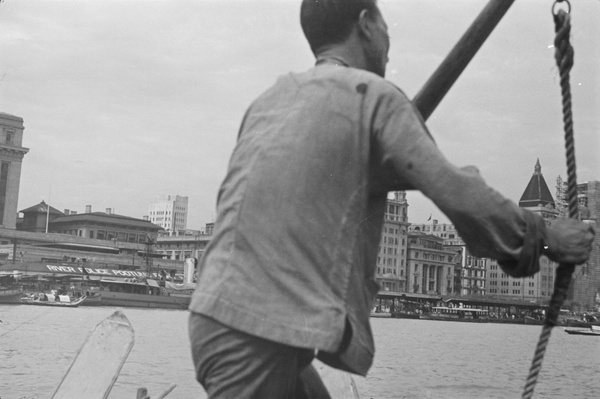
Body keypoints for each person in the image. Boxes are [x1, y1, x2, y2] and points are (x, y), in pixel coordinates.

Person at [188, 1, 595, 397]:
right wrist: (548, 239)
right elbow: (461, 194)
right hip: (258, 333)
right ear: (365, 24)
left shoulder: (269, 101)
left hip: (217, 317)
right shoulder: (372, 95)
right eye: (385, 27)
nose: (388, 40)